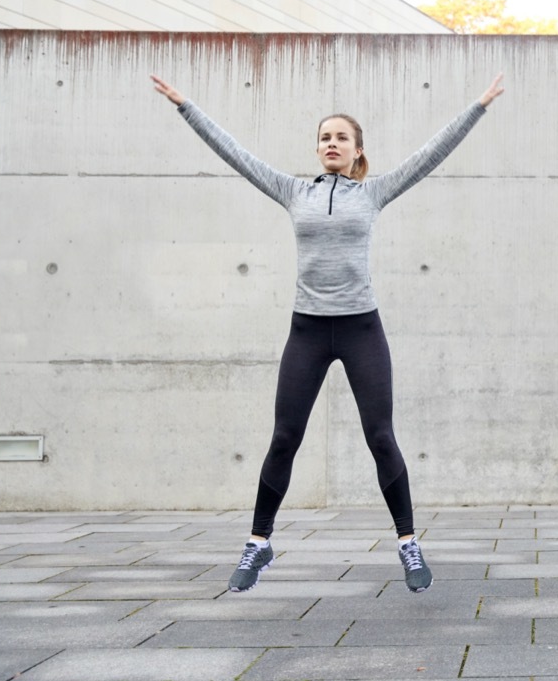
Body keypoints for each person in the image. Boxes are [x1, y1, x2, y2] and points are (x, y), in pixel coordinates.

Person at [151, 72, 505, 592]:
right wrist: (187, 107)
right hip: (308, 331)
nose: (331, 143)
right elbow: (236, 153)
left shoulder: (374, 192)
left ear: (358, 149)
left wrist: (477, 106)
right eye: (324, 137)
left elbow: (431, 153)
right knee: (284, 437)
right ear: (317, 149)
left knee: (380, 436)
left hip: (362, 328)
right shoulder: (293, 191)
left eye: (341, 137)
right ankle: (258, 543)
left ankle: (408, 544)